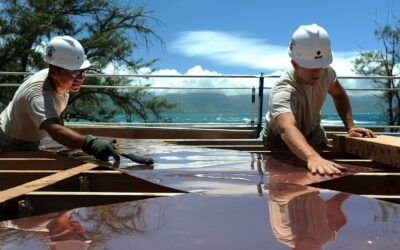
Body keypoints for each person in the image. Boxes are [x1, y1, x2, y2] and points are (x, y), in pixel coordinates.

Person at [261, 24, 376, 175]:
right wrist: (312, 157)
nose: (319, 72)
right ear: (295, 64)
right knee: (289, 184)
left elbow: (339, 95)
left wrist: (350, 127)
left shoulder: (326, 73)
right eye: (311, 67)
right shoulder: (284, 91)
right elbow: (286, 129)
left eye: (322, 65)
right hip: (280, 142)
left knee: (323, 176)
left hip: (312, 132)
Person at [0, 35, 119, 161]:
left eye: (83, 71)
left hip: (29, 141)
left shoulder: (61, 82)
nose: (80, 77)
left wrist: (79, 141)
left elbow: (57, 116)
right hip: (7, 143)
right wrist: (90, 144)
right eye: (74, 72)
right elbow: (56, 130)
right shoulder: (37, 93)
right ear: (54, 72)